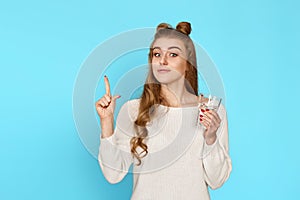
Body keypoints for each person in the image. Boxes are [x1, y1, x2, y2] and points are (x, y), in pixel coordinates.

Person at [95, 22, 232, 200]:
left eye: (173, 54)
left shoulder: (212, 110)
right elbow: (113, 175)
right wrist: (106, 121)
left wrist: (211, 138)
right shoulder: (134, 110)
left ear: (188, 63)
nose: (162, 61)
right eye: (157, 54)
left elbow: (217, 180)